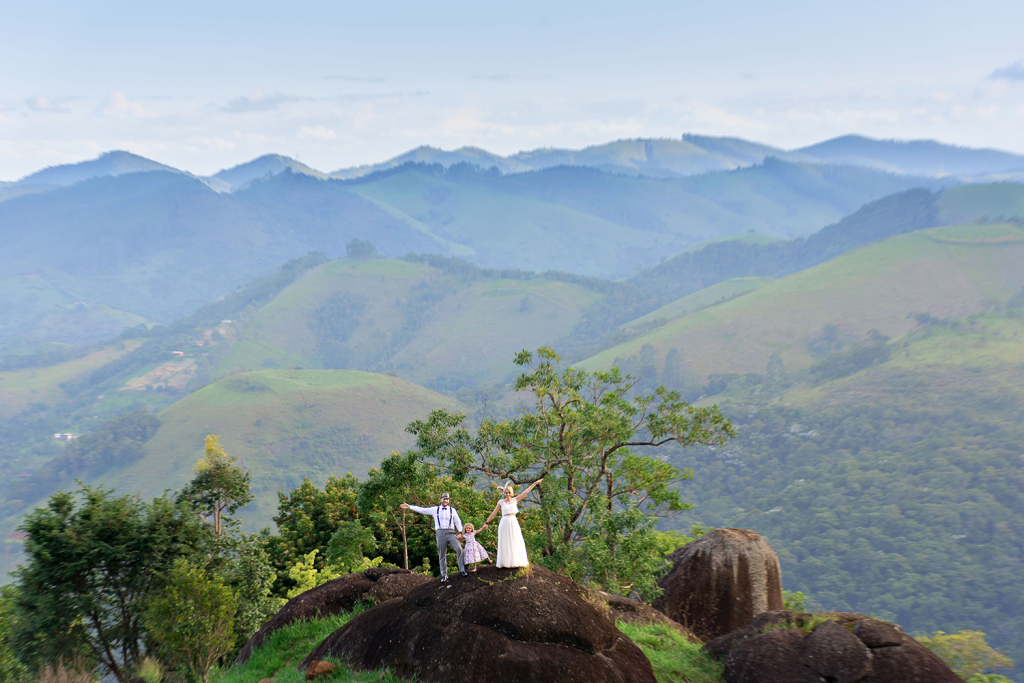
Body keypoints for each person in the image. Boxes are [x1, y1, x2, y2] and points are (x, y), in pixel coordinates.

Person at [400, 493, 466, 581]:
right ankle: (444, 575)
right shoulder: (435, 509)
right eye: (443, 498)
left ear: (449, 500)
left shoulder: (452, 510)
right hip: (440, 532)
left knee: (459, 549)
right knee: (442, 554)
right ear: (441, 499)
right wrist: (410, 507)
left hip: (451, 532)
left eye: (446, 499)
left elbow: (458, 522)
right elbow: (423, 510)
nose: (445, 500)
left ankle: (462, 570)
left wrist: (461, 532)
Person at [482, 479, 542, 568]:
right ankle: (506, 562)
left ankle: (515, 561)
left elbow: (525, 492)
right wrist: (487, 522)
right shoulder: (501, 502)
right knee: (505, 541)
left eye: (509, 492)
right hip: (504, 522)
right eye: (506, 493)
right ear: (504, 493)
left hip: (513, 521)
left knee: (515, 540)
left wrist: (534, 483)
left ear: (512, 493)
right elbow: (494, 512)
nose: (507, 494)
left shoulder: (515, 500)